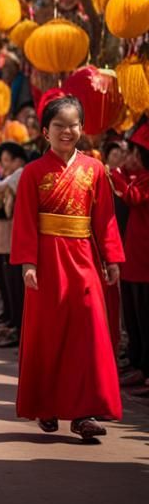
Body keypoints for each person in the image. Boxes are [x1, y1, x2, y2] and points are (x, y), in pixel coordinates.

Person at [10, 95, 125, 441]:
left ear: (82, 128)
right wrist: (28, 263)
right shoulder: (32, 172)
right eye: (59, 125)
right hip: (47, 260)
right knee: (48, 333)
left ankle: (84, 411)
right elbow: (25, 222)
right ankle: (46, 404)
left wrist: (112, 259)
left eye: (73, 124)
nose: (67, 131)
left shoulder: (94, 170)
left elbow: (104, 219)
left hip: (85, 258)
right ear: (45, 131)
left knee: (88, 331)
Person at [0, 142, 28, 348]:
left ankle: (20, 331)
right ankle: (16, 327)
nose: (5, 166)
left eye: (7, 161)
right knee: (11, 286)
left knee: (18, 287)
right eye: (2, 161)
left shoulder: (21, 173)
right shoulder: (11, 176)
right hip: (11, 238)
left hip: (19, 238)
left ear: (19, 160)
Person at [117, 124, 149, 395]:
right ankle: (137, 362)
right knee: (134, 315)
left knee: (145, 316)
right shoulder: (139, 175)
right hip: (134, 258)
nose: (131, 158)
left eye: (136, 153)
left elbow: (133, 196)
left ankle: (145, 368)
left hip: (145, 260)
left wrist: (114, 174)